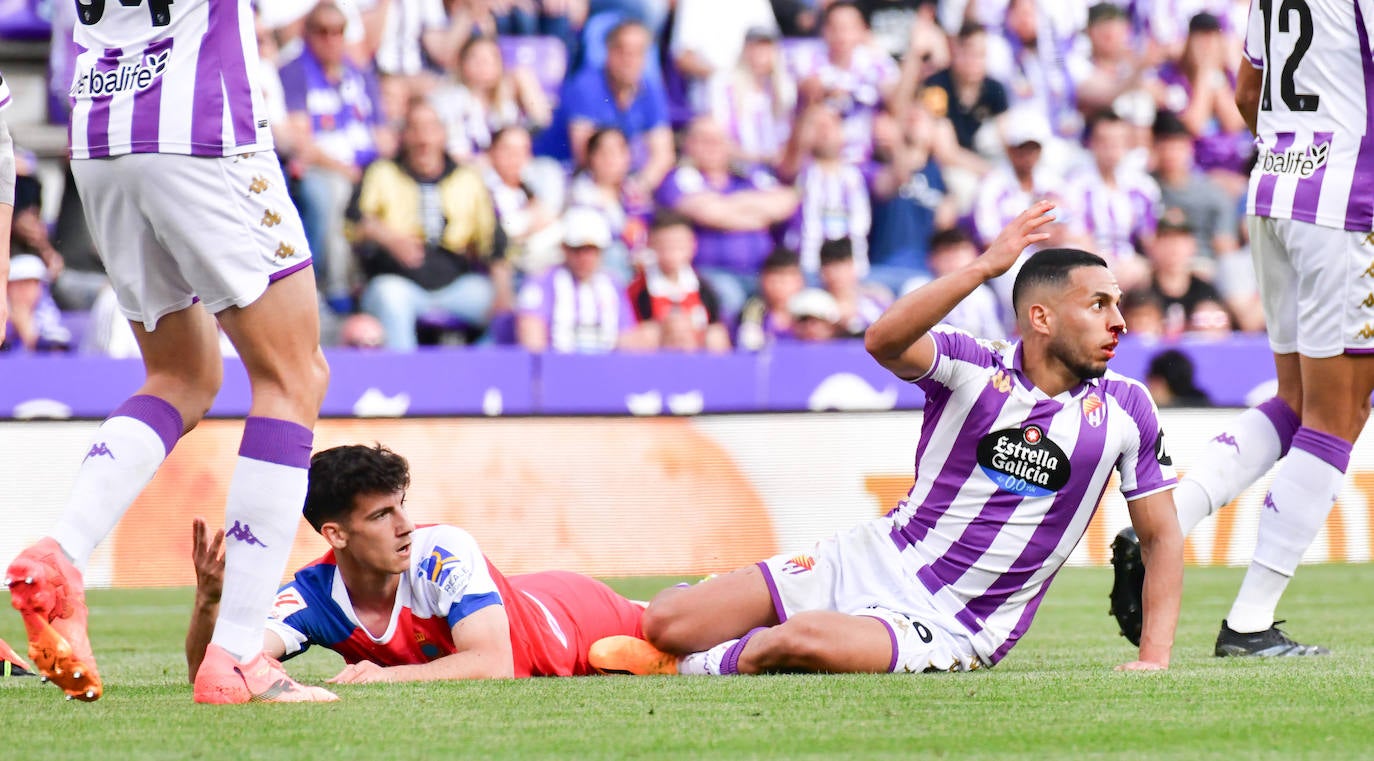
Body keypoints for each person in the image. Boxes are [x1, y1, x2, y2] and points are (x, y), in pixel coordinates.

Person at [589, 203, 1184, 678]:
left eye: (1119, 305)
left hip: (953, 622)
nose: (1120, 322)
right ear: (1041, 318)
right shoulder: (973, 366)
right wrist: (981, 268)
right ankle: (679, 637)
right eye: (1099, 304)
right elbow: (883, 341)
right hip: (874, 555)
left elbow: (1160, 536)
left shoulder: (1128, 408)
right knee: (669, 617)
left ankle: (692, 667)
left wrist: (1153, 658)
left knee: (800, 640)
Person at [5, 0, 334, 704]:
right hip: (199, 120)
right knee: (293, 373)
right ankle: (240, 652)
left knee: (182, 373)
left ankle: (62, 550)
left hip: (100, 129)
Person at [1113, 0, 1374, 658]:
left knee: (1297, 400)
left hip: (1274, 195)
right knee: (1337, 414)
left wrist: (1297, 152)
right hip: (1348, 209)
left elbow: (1248, 91)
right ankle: (1251, 622)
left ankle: (1167, 521)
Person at [186, 444, 646, 684]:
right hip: (548, 610)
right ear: (336, 534)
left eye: (401, 505)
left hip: (574, 614)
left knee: (681, 627)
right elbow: (218, 674)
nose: (406, 525)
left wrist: (388, 678)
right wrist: (209, 604)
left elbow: (494, 662)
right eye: (382, 514)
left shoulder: (441, 550)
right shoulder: (312, 596)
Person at [351, 99, 506, 352]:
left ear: (443, 134)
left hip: (456, 285)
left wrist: (503, 293)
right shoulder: (381, 172)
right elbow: (354, 222)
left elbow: (493, 240)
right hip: (399, 282)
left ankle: (475, 378)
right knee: (390, 298)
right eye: (415, 128)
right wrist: (390, 239)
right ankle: (405, 380)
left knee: (501, 308)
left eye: (431, 128)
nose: (424, 139)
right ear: (404, 135)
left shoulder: (467, 178)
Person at [515, 207, 645, 353]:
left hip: (605, 369)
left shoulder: (612, 284)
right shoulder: (542, 282)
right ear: (564, 248)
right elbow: (532, 339)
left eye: (591, 250)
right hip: (557, 368)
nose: (584, 258)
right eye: (577, 250)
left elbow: (627, 336)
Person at [627, 211, 731, 353]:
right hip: (656, 359)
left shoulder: (703, 288)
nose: (672, 252)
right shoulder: (639, 290)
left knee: (716, 335)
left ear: (692, 245)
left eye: (679, 244)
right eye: (665, 245)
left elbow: (714, 328)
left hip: (697, 358)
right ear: (651, 245)